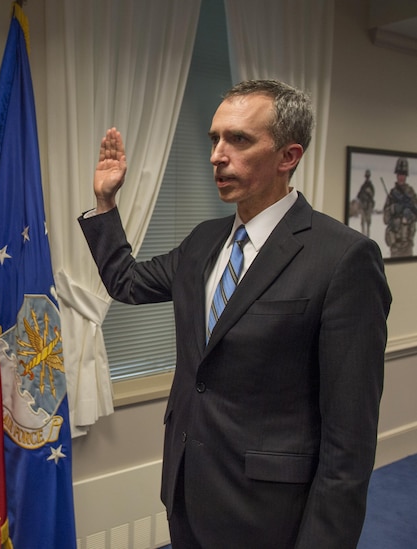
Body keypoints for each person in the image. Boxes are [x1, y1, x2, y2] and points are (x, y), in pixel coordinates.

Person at [79, 80, 391, 548]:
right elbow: (128, 283)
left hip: (270, 514)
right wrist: (106, 203)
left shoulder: (344, 258)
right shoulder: (203, 241)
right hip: (187, 491)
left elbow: (349, 439)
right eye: (214, 139)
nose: (217, 156)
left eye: (239, 139)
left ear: (288, 156)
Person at [383, 157, 417, 257]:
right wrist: (393, 208)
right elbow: (385, 219)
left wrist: (410, 214)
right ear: (397, 175)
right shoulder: (392, 194)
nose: (401, 177)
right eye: (399, 174)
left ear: (406, 176)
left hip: (408, 243)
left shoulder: (411, 194)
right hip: (395, 243)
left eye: (403, 175)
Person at [357, 168, 375, 236]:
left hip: (368, 205)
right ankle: (363, 234)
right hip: (363, 205)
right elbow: (358, 195)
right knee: (363, 222)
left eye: (368, 176)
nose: (367, 177)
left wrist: (369, 193)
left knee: (368, 222)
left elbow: (372, 195)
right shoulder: (363, 185)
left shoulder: (370, 186)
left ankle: (367, 235)